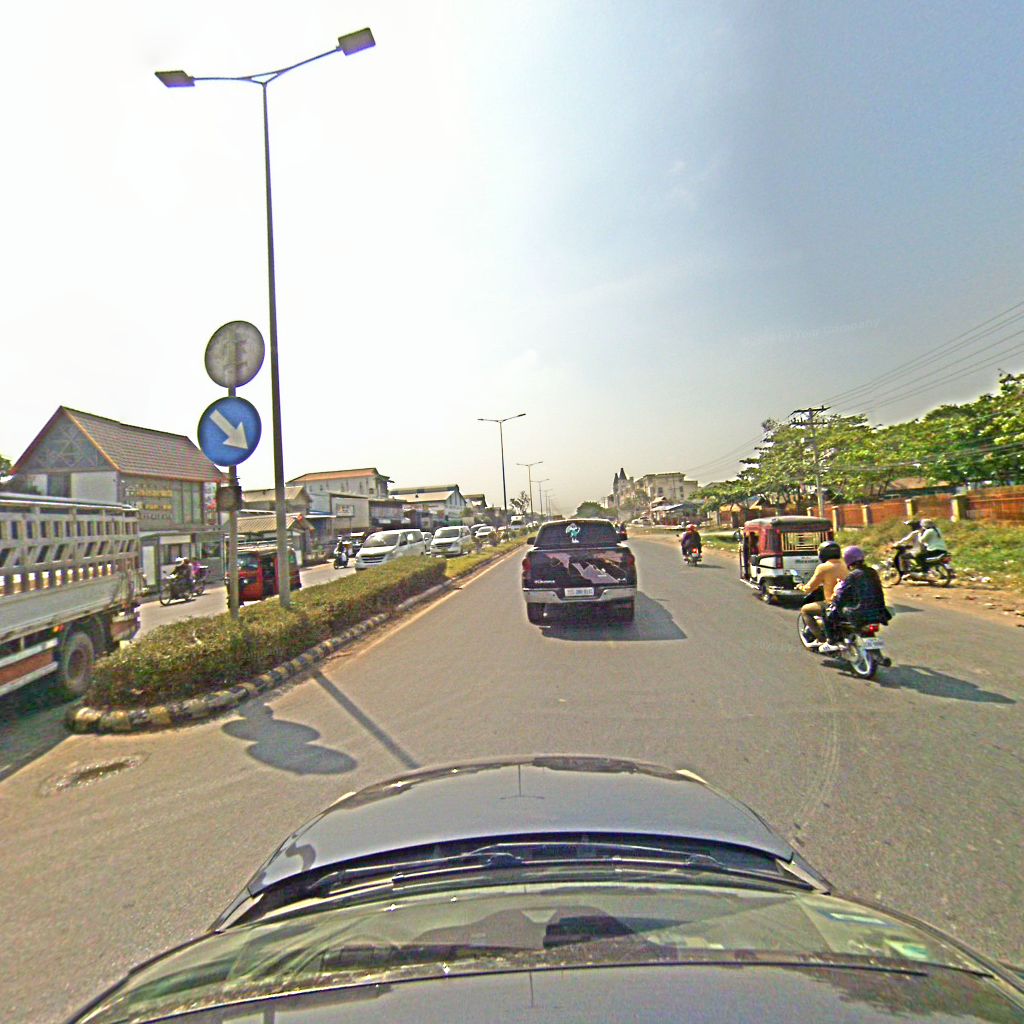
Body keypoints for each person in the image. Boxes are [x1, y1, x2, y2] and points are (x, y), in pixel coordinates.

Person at [821, 545, 891, 653]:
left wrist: (834, 600)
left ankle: (831, 641)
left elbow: (842, 595)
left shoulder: (853, 575)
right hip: (878, 611)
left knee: (826, 612)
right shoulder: (872, 572)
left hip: (860, 612)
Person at [796, 541, 848, 646]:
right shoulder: (845, 565)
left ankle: (821, 639)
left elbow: (809, 588)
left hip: (832, 603)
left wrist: (800, 587)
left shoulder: (823, 567)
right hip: (848, 602)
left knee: (805, 610)